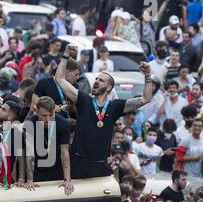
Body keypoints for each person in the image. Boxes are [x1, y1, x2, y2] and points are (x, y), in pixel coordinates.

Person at [55, 44, 153, 179]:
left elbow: (146, 98)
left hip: (101, 165)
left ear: (109, 87)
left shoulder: (115, 106)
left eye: (101, 80)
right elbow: (59, 79)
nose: (96, 81)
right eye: (96, 79)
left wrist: (147, 75)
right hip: (79, 163)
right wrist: (65, 55)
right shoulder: (83, 99)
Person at [24, 97, 73, 195]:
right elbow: (30, 153)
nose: (48, 119)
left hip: (57, 169)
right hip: (37, 170)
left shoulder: (62, 123)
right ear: (37, 112)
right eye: (44, 115)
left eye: (51, 115)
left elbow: (64, 153)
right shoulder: (30, 123)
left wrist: (67, 179)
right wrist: (30, 180)